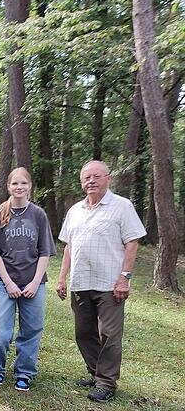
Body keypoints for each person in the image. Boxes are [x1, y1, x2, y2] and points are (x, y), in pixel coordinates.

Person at [56, 160, 146, 403]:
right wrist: (62, 277)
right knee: (83, 332)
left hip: (109, 284)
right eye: (87, 178)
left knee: (109, 333)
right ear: (81, 182)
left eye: (97, 176)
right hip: (81, 282)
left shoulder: (122, 206)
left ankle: (106, 382)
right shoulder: (75, 210)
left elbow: (132, 242)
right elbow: (68, 247)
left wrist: (124, 278)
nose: (91, 181)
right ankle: (96, 373)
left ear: (109, 178)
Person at [0, 168, 56, 392]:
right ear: (8, 186)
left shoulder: (38, 214)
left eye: (23, 183)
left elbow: (45, 251)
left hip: (33, 281)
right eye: (15, 183)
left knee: (31, 329)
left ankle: (24, 372)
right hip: (5, 281)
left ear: (30, 186)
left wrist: (35, 283)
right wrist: (8, 282)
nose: (19, 187)